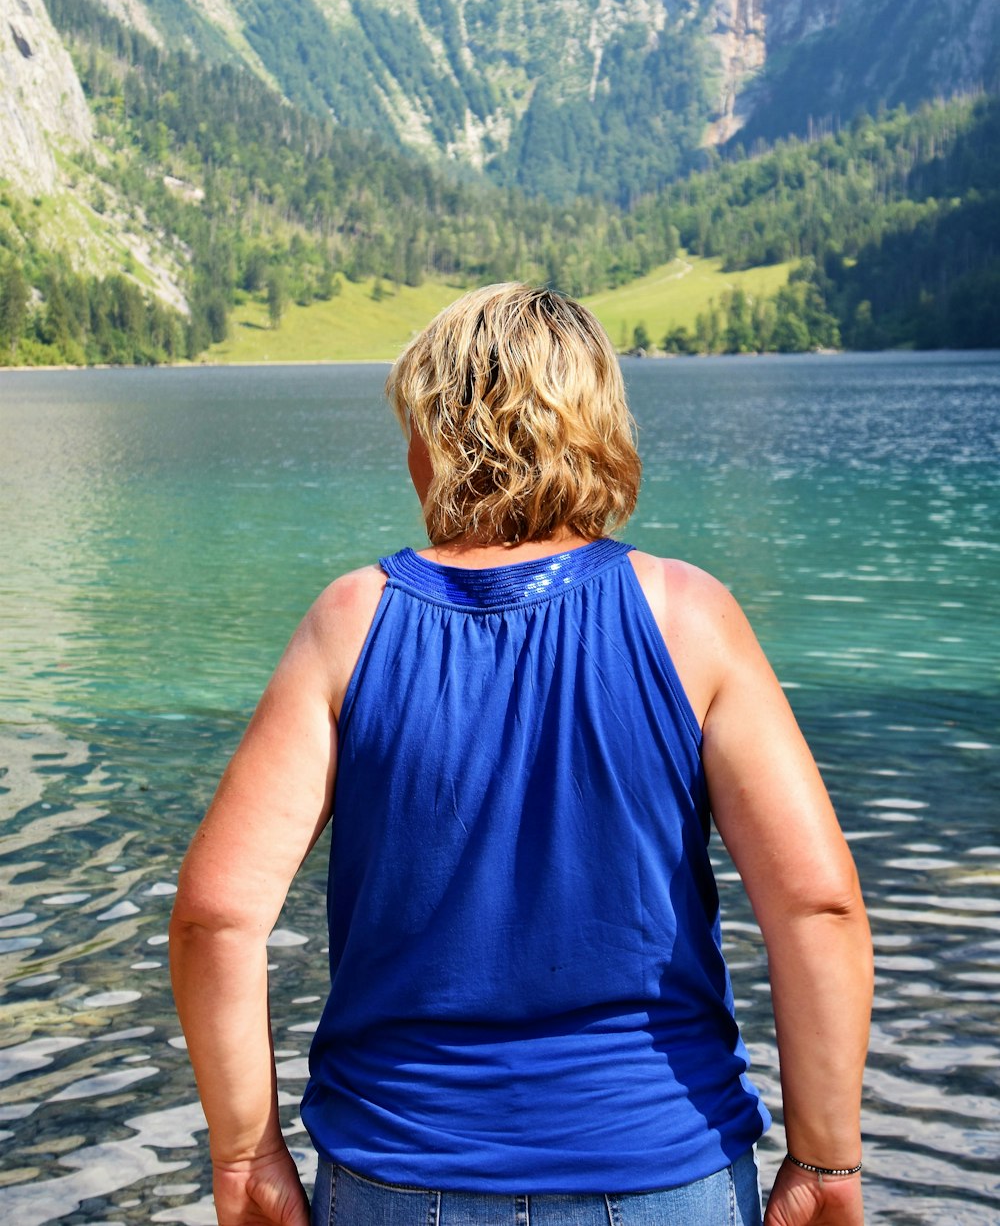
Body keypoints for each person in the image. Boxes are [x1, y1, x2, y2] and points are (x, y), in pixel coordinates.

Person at [170, 283, 873, 1226]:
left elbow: (217, 919)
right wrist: (825, 1162)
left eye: (415, 425)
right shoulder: (687, 618)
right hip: (663, 1168)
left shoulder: (352, 623)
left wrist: (245, 1156)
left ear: (448, 439)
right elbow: (816, 907)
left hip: (397, 1173)